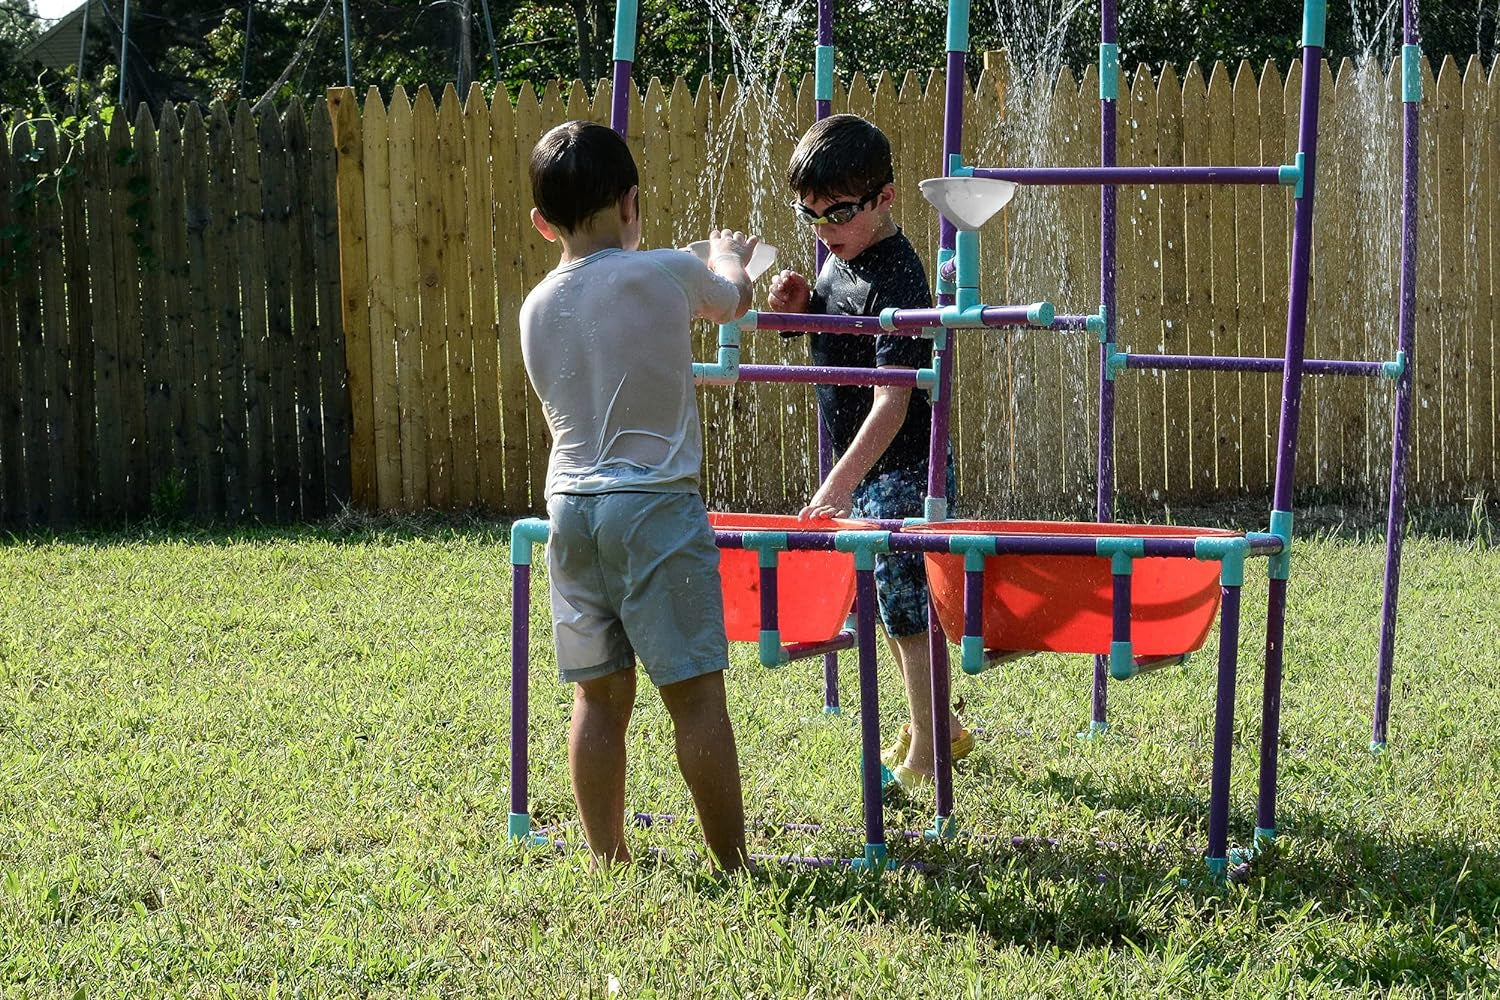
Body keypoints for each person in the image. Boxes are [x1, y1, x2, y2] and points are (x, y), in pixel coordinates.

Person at [519, 120, 757, 871]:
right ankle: (731, 863)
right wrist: (724, 258)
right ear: (631, 202)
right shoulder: (662, 272)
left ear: (540, 222)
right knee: (694, 698)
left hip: (571, 512)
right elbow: (732, 302)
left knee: (597, 699)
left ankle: (607, 859)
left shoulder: (533, 306)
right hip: (654, 504)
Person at [767, 114, 971, 792]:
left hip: (903, 468)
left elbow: (893, 402)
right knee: (892, 607)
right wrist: (800, 309)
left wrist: (838, 485)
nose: (825, 228)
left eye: (840, 213)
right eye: (812, 215)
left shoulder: (899, 280)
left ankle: (929, 749)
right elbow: (834, 340)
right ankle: (937, 721)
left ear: (885, 199)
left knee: (906, 608)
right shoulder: (842, 261)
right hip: (873, 471)